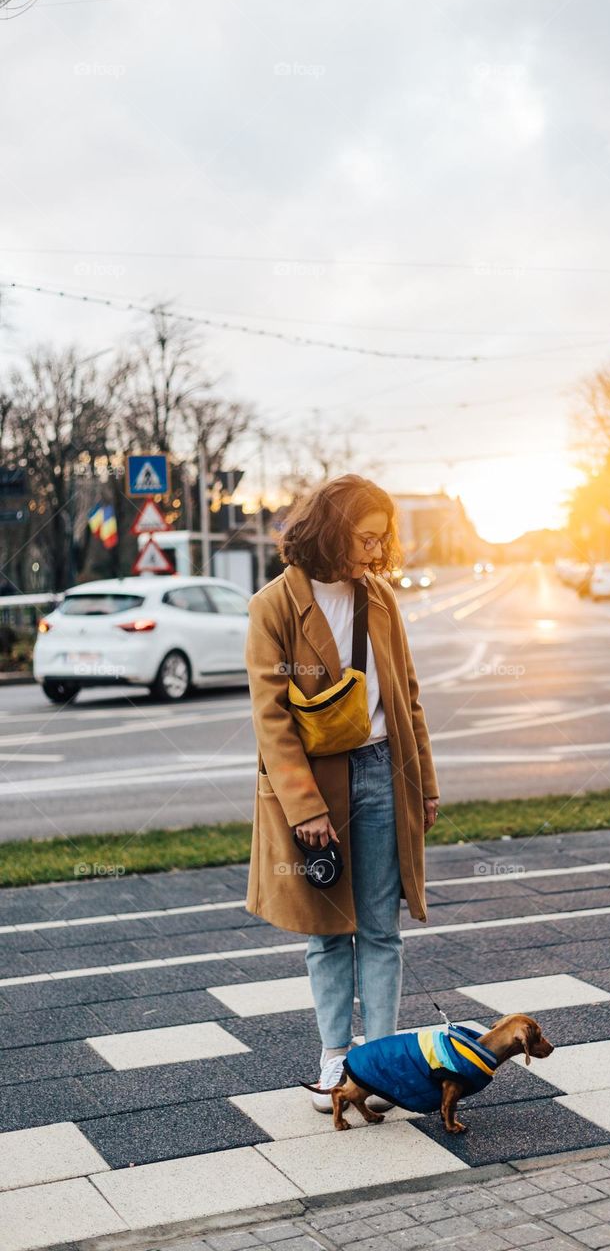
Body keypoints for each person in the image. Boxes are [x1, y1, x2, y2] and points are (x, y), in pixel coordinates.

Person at [243, 474, 440, 1115]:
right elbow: (272, 720)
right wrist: (304, 807)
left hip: (384, 772)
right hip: (317, 786)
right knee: (328, 933)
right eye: (367, 538)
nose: (378, 553)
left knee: (381, 929)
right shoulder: (273, 606)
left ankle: (378, 1063)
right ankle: (335, 1058)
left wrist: (425, 787)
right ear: (333, 529)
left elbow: (407, 697)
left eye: (384, 540)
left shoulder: (379, 597)